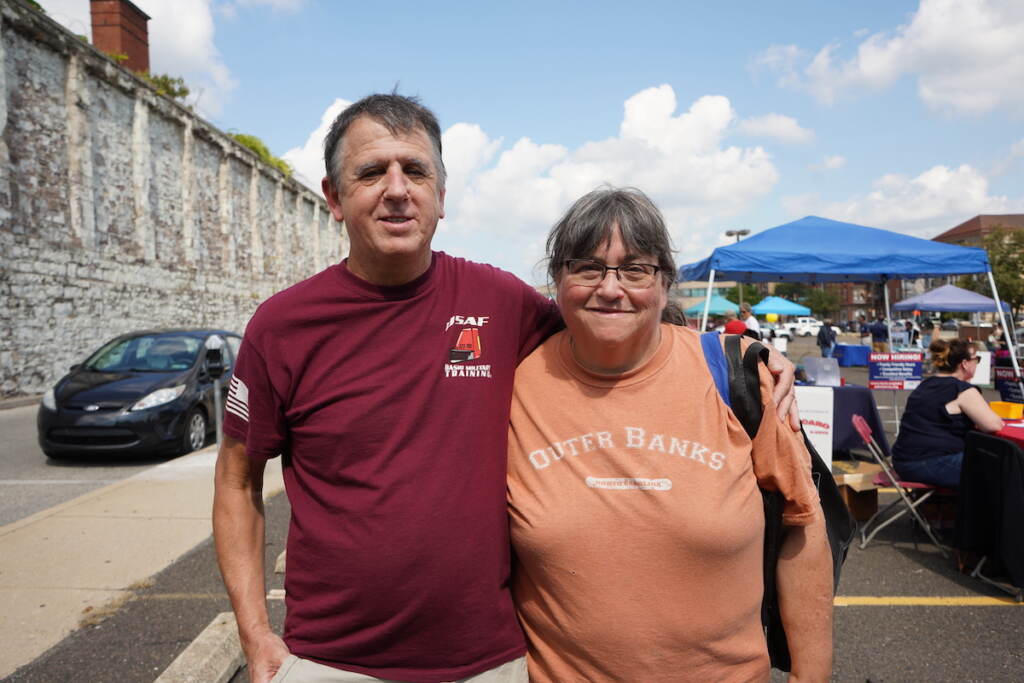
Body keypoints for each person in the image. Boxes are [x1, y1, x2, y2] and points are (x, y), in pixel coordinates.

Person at [212, 95, 802, 683]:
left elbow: (611, 320)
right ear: (334, 198)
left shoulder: (496, 301)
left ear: (441, 197)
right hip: (328, 663)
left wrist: (745, 354)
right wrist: (255, 635)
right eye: (371, 172)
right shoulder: (283, 327)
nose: (397, 189)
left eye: (416, 170)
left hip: (489, 663)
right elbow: (237, 482)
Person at [507, 187, 832, 682]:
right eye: (588, 267)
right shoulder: (516, 386)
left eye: (635, 269)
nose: (611, 288)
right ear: (557, 279)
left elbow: (802, 529)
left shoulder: (736, 376)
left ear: (664, 284)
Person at [892, 339, 1004, 488]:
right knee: (1004, 467)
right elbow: (994, 425)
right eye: (976, 359)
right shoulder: (962, 390)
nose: (977, 363)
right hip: (927, 463)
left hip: (903, 460)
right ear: (964, 363)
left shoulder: (926, 384)